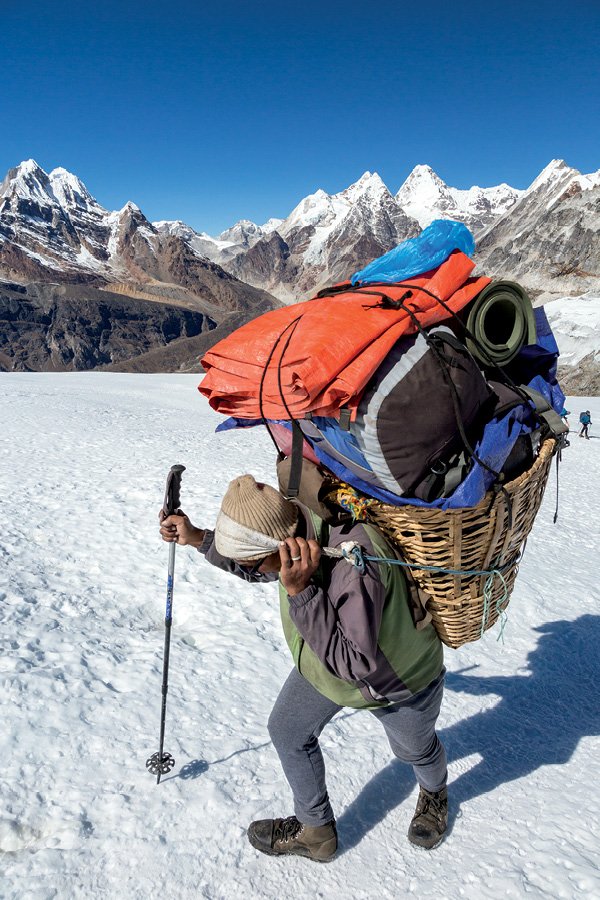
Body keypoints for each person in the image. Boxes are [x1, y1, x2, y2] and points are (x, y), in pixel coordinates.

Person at [159, 474, 448, 863]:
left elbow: (353, 663)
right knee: (288, 729)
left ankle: (435, 792)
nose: (253, 571)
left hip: (398, 677)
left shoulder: (351, 563)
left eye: (253, 563)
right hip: (324, 656)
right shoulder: (295, 527)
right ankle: (316, 833)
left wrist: (300, 591)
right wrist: (198, 538)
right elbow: (259, 564)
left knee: (414, 749)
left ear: (282, 547)